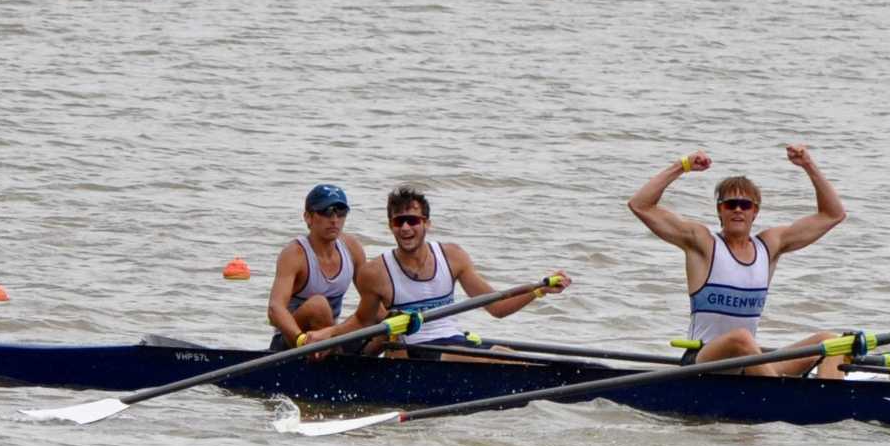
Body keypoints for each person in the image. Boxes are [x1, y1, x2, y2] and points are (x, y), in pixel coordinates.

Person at [627, 145, 847, 378]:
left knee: (831, 342)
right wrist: (682, 166)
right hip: (703, 361)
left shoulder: (770, 246)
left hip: (748, 363)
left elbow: (833, 214)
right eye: (731, 204)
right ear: (720, 211)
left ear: (755, 212)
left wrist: (808, 165)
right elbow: (640, 205)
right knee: (741, 337)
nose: (738, 210)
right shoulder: (702, 244)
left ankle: (834, 405)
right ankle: (779, 399)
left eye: (746, 205)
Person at [310, 186, 570, 359]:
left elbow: (497, 308)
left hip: (454, 341)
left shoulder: (452, 256)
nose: (406, 228)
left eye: (413, 220)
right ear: (391, 226)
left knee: (508, 355)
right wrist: (326, 335)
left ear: (427, 224)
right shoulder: (375, 272)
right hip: (415, 352)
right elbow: (362, 321)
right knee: (494, 357)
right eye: (399, 221)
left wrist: (538, 290)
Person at [266, 184, 369, 351]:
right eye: (326, 212)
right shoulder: (295, 254)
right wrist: (301, 339)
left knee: (384, 317)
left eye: (340, 212)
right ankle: (338, 363)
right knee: (318, 305)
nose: (334, 219)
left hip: (330, 337)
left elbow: (372, 300)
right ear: (308, 217)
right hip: (292, 341)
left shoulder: (352, 247)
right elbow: (274, 310)